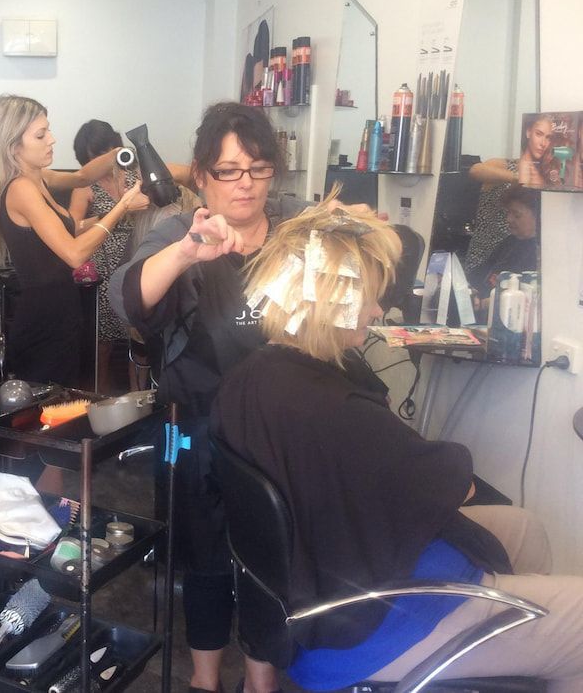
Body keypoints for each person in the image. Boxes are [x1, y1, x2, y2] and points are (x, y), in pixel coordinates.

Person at [211, 202, 583, 692]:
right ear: (331, 298)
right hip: (364, 632)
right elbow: (458, 487)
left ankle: (515, 655)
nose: (377, 309)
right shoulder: (337, 410)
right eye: (368, 296)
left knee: (525, 528)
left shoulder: (251, 376)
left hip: (318, 590)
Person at [109, 101, 306, 693]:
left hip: (274, 424)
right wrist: (189, 251)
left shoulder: (294, 233)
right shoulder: (178, 232)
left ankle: (261, 680)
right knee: (203, 550)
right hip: (191, 419)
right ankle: (204, 679)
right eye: (228, 170)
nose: (244, 184)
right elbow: (127, 302)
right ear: (201, 175)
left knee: (271, 553)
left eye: (258, 168)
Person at [0, 95, 149, 389]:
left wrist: (118, 153)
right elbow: (73, 253)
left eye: (49, 130)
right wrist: (121, 207)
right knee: (46, 413)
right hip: (44, 319)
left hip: (62, 311)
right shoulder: (21, 189)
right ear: (13, 146)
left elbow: (83, 177)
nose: (52, 140)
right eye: (41, 134)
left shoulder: (38, 178)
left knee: (62, 406)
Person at [69, 120, 193, 394]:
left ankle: (136, 396)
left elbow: (190, 178)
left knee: (140, 335)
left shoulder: (138, 173)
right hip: (102, 265)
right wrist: (116, 212)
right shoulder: (85, 186)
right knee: (103, 342)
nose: (105, 162)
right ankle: (99, 396)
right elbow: (73, 227)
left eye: (110, 152)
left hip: (140, 254)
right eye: (96, 158)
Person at [466, 185, 539, 308]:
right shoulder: (509, 242)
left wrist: (489, 303)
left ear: (538, 216)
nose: (509, 219)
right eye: (508, 213)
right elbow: (480, 275)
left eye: (516, 215)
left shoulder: (541, 253)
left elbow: (524, 301)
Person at [518, 114, 554, 189]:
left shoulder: (541, 167)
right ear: (528, 132)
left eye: (548, 137)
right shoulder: (524, 167)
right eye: (538, 134)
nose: (543, 144)